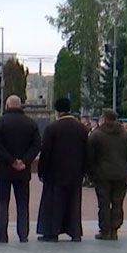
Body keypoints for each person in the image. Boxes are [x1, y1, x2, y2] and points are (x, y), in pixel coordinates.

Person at [0, 95, 41, 243]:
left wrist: (11, 160)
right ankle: (23, 234)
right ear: (21, 106)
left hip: (3, 170)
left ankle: (1, 235)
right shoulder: (30, 123)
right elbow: (37, 145)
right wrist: (24, 161)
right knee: (23, 203)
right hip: (23, 171)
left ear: (7, 105)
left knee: (2, 203)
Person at [36, 98, 89, 242]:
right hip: (75, 172)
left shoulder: (52, 128)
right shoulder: (81, 128)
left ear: (57, 111)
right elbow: (86, 152)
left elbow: (46, 152)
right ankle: (75, 232)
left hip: (55, 173)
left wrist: (42, 172)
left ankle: (52, 232)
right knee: (74, 203)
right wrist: (84, 170)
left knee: (54, 204)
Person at [86, 109, 127, 240]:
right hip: (121, 173)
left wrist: (90, 173)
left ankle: (105, 229)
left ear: (104, 118)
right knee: (118, 202)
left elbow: (90, 156)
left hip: (102, 174)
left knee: (103, 203)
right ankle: (115, 228)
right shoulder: (126, 135)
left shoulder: (96, 135)